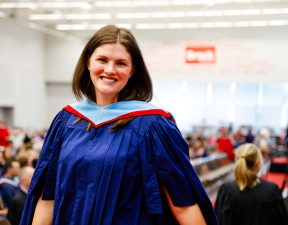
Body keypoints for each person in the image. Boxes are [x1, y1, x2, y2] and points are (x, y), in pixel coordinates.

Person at [20, 25, 219, 225]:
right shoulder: (66, 121)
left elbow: (183, 205)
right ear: (88, 62)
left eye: (121, 63)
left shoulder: (153, 127)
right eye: (102, 60)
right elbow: (48, 199)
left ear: (132, 70)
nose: (110, 70)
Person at [214, 143, 288, 225]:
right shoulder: (271, 190)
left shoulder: (226, 191)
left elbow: (219, 221)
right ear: (258, 165)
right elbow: (282, 221)